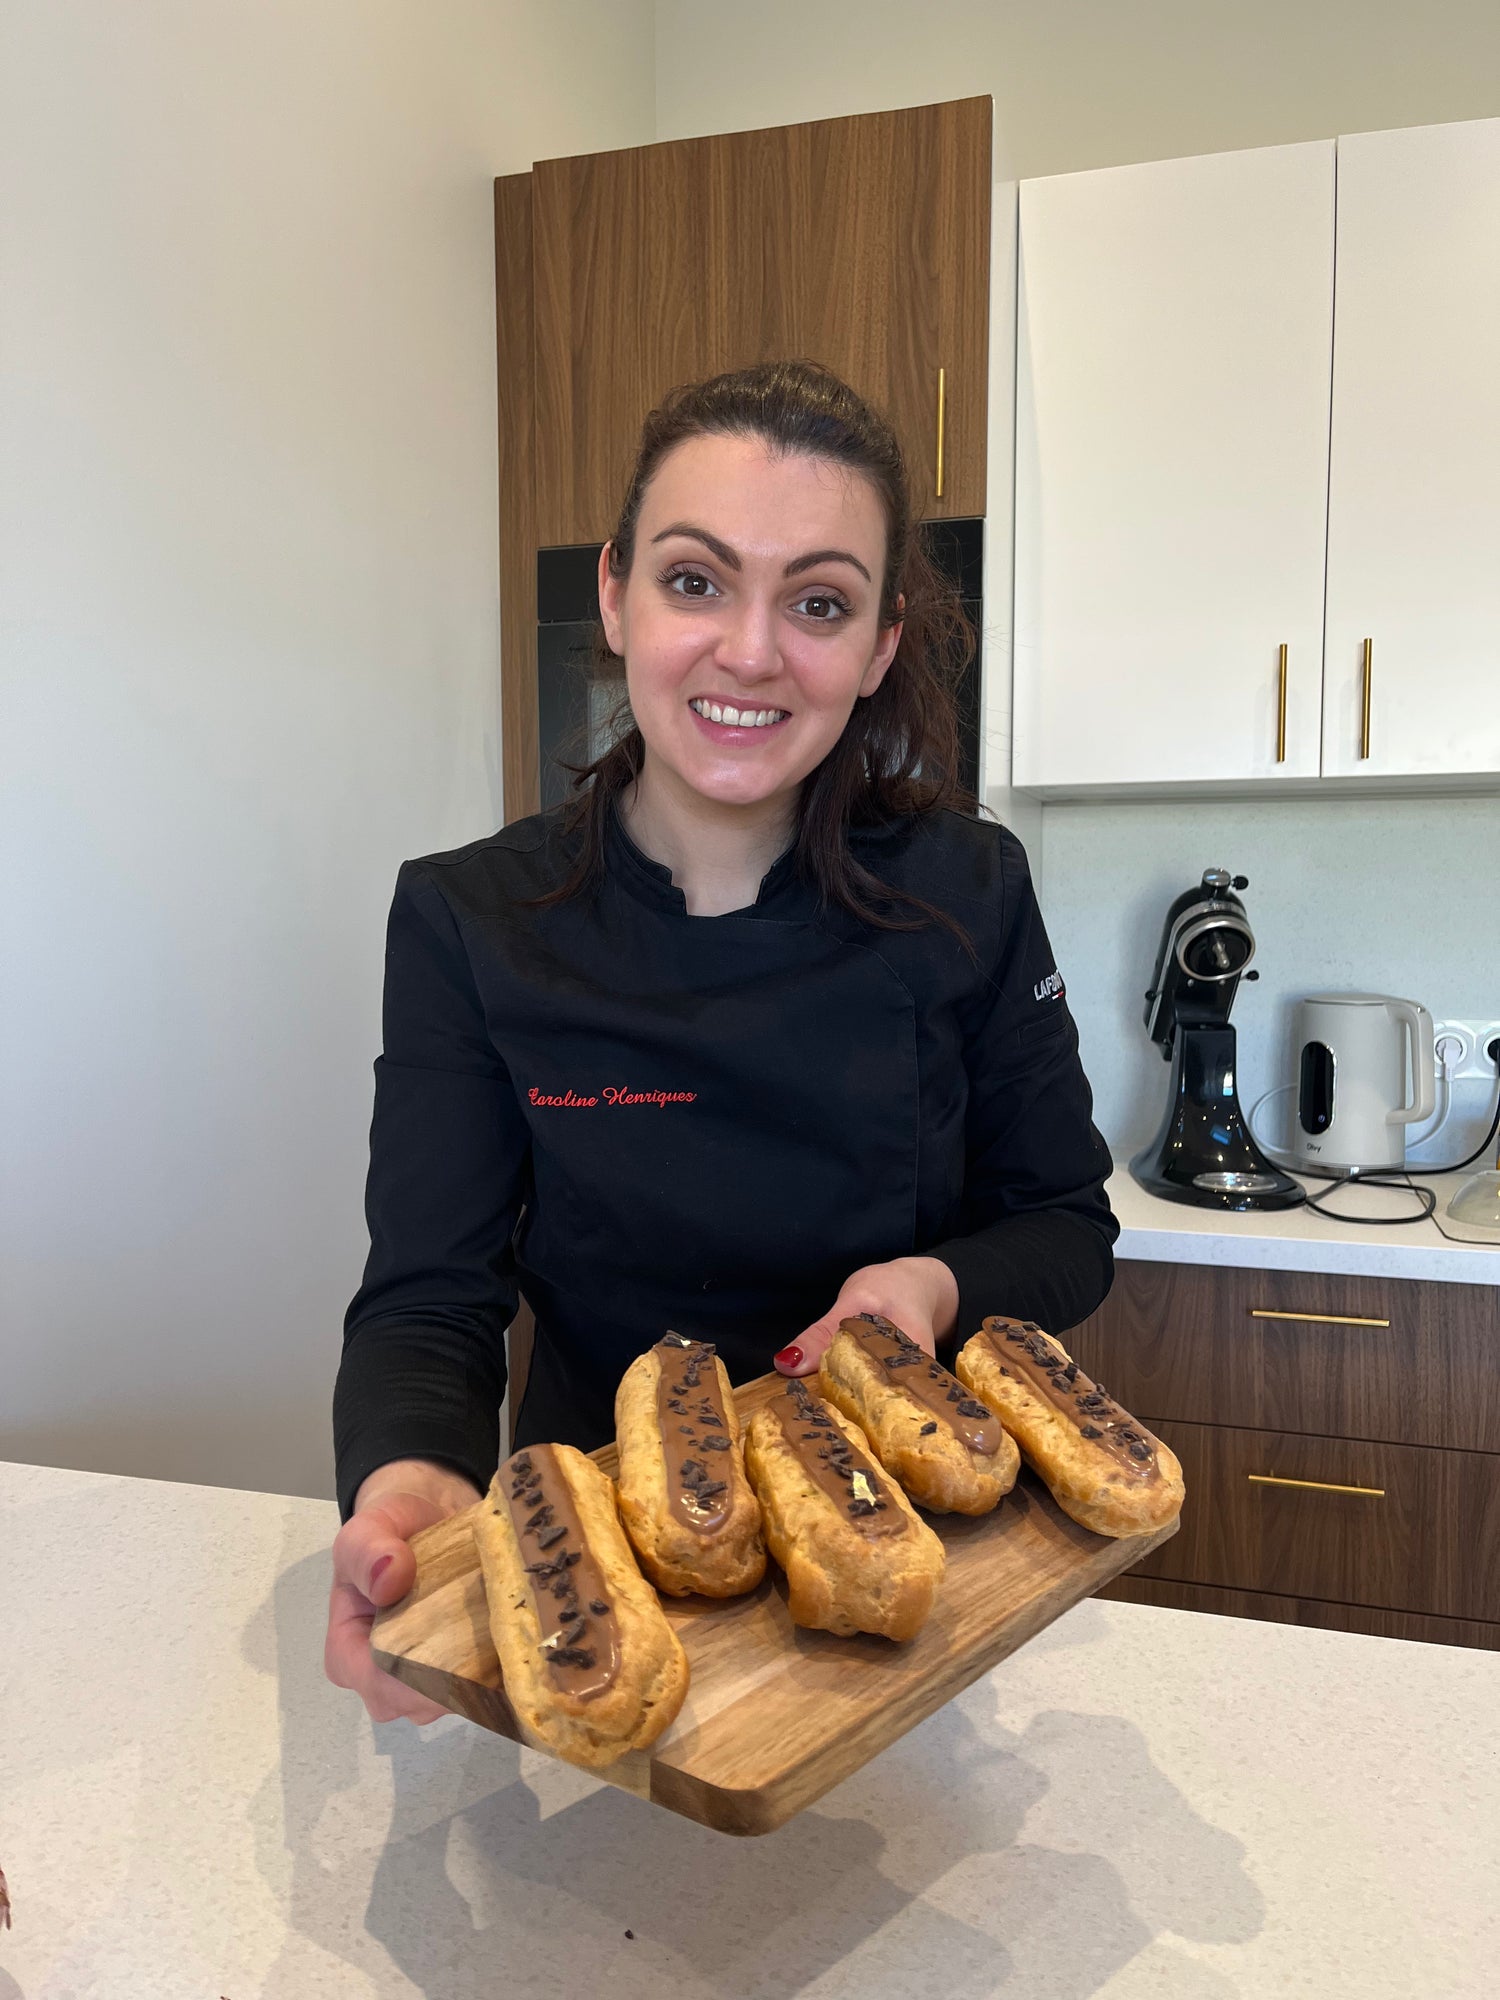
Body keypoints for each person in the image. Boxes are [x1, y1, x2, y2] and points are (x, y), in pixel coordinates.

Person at [325, 359, 1118, 1724]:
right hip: (604, 1586)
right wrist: (414, 1486)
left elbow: (1064, 1226)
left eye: (818, 602)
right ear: (618, 597)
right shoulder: (470, 918)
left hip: (900, 1578)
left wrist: (929, 1288)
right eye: (696, 581)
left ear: (876, 649)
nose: (752, 651)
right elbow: (429, 1298)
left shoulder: (966, 889)